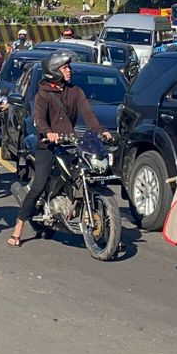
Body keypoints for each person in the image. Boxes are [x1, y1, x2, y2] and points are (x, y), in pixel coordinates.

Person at [7, 51, 114, 247]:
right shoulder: (43, 95)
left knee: (84, 174)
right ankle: (19, 227)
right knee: (38, 185)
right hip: (47, 145)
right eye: (65, 67)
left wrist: (100, 131)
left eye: (69, 67)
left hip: (70, 142)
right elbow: (39, 118)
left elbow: (88, 115)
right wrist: (48, 132)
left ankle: (107, 233)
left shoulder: (75, 92)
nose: (69, 70)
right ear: (54, 71)